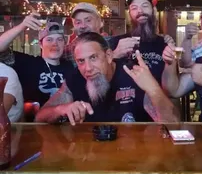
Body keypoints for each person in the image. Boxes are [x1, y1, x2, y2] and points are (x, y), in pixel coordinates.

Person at [35, 32, 179, 125]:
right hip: (91, 157)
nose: (88, 68)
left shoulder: (133, 74)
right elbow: (40, 117)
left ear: (109, 56)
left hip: (134, 158)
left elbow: (173, 124)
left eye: (93, 58)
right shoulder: (76, 77)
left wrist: (153, 88)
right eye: (81, 61)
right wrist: (63, 109)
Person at [0, 16, 73, 108]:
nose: (55, 44)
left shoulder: (71, 66)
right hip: (34, 122)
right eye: (49, 40)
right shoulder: (28, 63)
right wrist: (22, 26)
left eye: (59, 39)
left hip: (68, 121)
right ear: (40, 44)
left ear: (64, 43)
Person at [109, 0, 174, 84]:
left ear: (153, 10)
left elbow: (172, 86)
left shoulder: (164, 43)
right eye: (134, 8)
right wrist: (115, 54)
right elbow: (101, 77)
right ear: (129, 14)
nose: (140, 11)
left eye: (145, 6)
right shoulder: (116, 42)